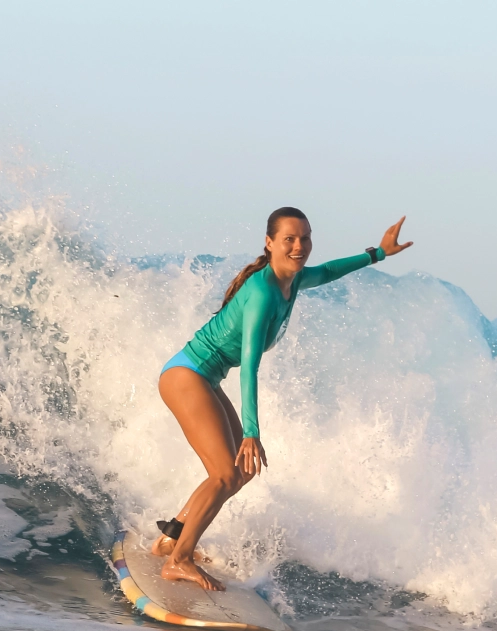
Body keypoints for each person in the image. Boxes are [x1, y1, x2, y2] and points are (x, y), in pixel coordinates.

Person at [153, 207, 413, 589]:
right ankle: (178, 560)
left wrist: (378, 253)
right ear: (269, 242)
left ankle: (171, 538)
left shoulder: (290, 281)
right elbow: (249, 365)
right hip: (186, 375)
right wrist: (251, 432)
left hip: (203, 377)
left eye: (305, 238)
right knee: (226, 472)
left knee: (237, 472)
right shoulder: (261, 292)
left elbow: (327, 272)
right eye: (289, 238)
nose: (298, 246)